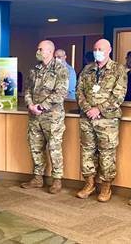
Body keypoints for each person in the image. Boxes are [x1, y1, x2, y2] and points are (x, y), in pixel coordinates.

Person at [76, 39, 127, 202]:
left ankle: (106, 187)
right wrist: (88, 109)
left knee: (107, 153)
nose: (97, 51)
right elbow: (79, 92)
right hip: (87, 118)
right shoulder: (87, 69)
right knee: (87, 151)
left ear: (109, 50)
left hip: (107, 121)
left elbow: (118, 96)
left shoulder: (118, 69)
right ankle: (89, 184)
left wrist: (98, 109)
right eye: (95, 48)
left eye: (101, 48)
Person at [21, 40, 69, 194]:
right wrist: (30, 105)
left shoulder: (61, 69)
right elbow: (27, 89)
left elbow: (60, 93)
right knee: (35, 147)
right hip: (35, 116)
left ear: (50, 51)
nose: (38, 51)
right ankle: (37, 178)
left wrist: (41, 107)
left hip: (52, 117)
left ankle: (57, 180)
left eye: (40, 49)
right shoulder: (35, 69)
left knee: (54, 148)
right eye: (38, 48)